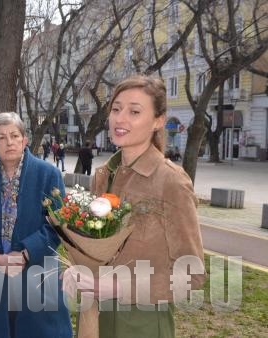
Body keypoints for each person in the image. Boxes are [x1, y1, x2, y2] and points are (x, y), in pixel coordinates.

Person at [62, 75, 205, 338]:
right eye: (116, 109)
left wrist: (116, 288)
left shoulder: (170, 181)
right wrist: (75, 269)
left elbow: (192, 274)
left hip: (142, 323)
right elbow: (94, 243)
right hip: (94, 317)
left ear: (158, 121)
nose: (120, 118)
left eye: (134, 111)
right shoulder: (105, 174)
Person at [0, 112, 72, 338]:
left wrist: (25, 253)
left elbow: (57, 225)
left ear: (24, 140)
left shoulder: (48, 174)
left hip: (38, 270)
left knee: (40, 331)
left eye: (14, 135)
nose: (9, 142)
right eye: (1, 137)